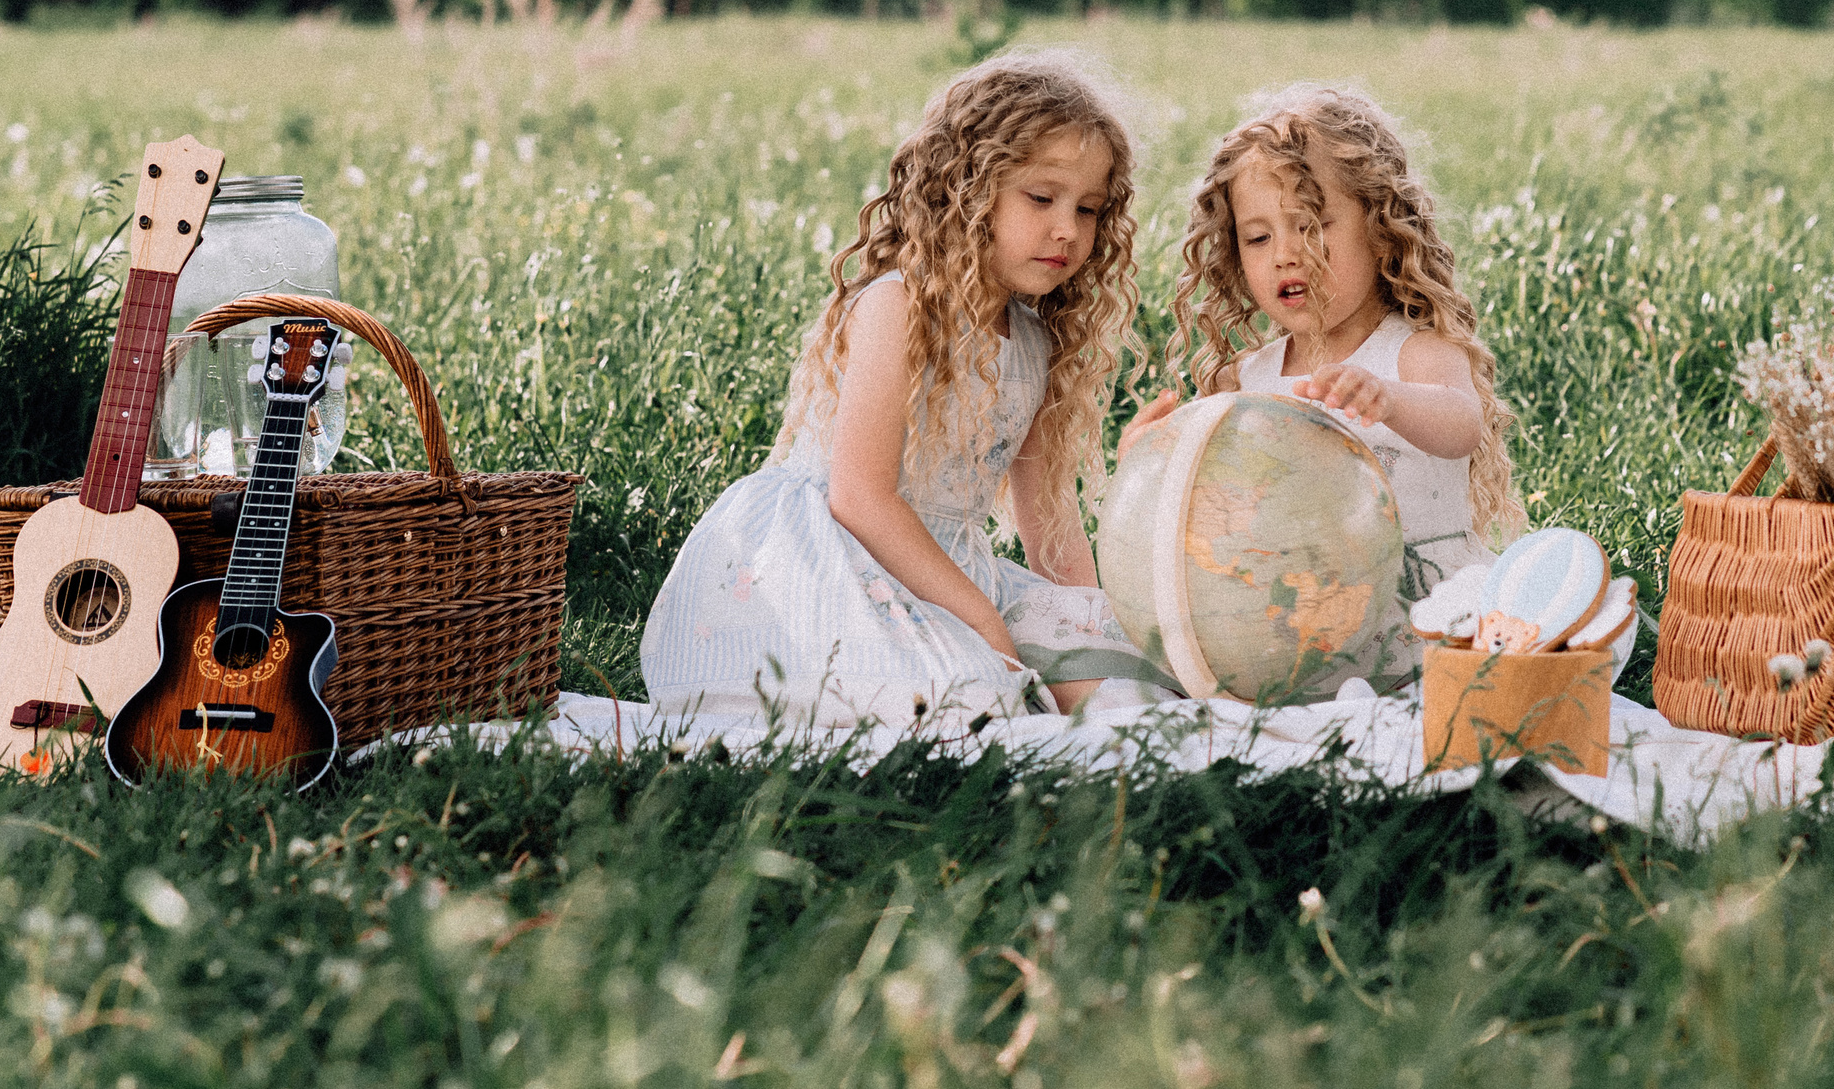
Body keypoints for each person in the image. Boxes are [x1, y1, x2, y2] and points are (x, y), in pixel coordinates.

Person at [641, 55, 1169, 727]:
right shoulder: (898, 306)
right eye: (1042, 198)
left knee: (1124, 689)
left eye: (1088, 209)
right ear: (967, 190)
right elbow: (859, 496)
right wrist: (978, 617)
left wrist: (1089, 628)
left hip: (948, 569)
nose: (1067, 228)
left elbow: (1052, 526)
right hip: (830, 560)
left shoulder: (1035, 341)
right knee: (971, 702)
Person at [1148, 86, 1525, 675]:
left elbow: (1462, 426)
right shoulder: (1245, 378)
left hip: (1423, 620)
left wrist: (1390, 400)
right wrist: (1154, 450)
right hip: (1302, 626)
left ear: (1381, 230)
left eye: (1312, 225)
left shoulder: (1415, 354)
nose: (1286, 255)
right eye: (1259, 237)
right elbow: (1206, 496)